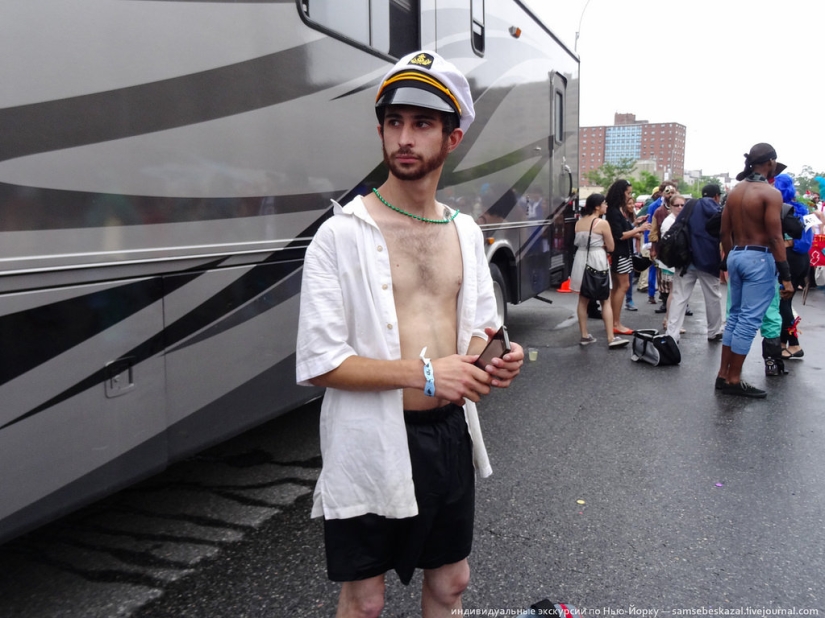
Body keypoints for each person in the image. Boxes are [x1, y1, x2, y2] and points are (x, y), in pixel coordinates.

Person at [295, 51, 525, 617]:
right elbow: (320, 361)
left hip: (448, 437)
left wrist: (492, 359)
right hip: (370, 437)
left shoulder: (465, 232)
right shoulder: (340, 235)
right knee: (365, 600)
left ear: (451, 138)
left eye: (422, 124)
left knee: (451, 585)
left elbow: (476, 329)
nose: (404, 137)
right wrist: (425, 373)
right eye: (393, 123)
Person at [715, 143, 793, 398]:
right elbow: (775, 237)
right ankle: (734, 379)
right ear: (770, 162)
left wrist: (730, 260)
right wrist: (787, 276)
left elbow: (724, 232)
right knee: (748, 321)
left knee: (735, 318)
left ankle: (723, 375)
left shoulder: (735, 191)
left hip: (736, 253)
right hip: (759, 257)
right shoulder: (769, 193)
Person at [665, 185, 724, 344]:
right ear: (717, 196)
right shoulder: (716, 209)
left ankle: (672, 333)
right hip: (708, 259)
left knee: (679, 297)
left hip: (685, 259)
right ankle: (714, 331)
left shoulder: (689, 205)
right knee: (713, 297)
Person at [569, 193, 629, 348]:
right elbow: (611, 247)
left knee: (583, 300)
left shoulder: (579, 222)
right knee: (605, 299)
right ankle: (611, 337)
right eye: (604, 203)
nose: (606, 206)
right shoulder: (602, 223)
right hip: (597, 259)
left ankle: (584, 335)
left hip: (580, 259)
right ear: (597, 206)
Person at [773, 174, 812, 361]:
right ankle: (782, 343)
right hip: (798, 261)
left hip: (791, 262)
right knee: (784, 303)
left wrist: (786, 243)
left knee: (782, 302)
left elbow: (803, 243)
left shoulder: (786, 210)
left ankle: (794, 344)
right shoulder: (802, 210)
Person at [605, 179, 650, 335]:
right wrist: (639, 229)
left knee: (618, 287)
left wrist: (635, 228)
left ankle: (613, 321)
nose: (629, 196)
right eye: (628, 193)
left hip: (619, 253)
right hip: (620, 254)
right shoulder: (614, 211)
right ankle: (615, 322)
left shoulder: (614, 210)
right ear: (621, 192)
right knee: (623, 286)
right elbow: (619, 235)